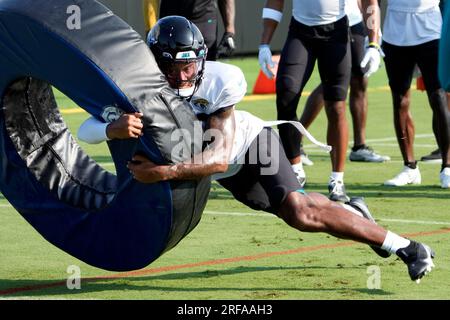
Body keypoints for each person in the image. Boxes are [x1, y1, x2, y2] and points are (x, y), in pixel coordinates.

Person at [78, 16, 435, 283]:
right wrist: (113, 126)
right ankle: (354, 212)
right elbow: (86, 129)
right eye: (172, 68)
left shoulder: (221, 80)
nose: (183, 77)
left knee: (301, 211)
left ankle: (407, 247)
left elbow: (217, 156)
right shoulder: (138, 88)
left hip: (249, 147)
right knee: (303, 215)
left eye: (188, 65)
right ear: (155, 64)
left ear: (201, 60)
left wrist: (164, 173)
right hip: (225, 172)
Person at [258, 0, 383, 202]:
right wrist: (264, 43)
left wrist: (374, 43)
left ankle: (337, 179)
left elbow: (370, 2)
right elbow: (275, 2)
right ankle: (295, 169)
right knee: (286, 96)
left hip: (336, 33)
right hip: (301, 32)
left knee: (336, 106)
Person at [298, 0, 391, 167]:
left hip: (356, 21)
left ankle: (359, 146)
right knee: (332, 82)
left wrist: (373, 31)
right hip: (333, 21)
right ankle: (296, 139)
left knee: (360, 79)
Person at [381, 0, 450, 188]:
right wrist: (370, 33)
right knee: (400, 100)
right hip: (394, 33)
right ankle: (409, 167)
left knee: (438, 96)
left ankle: (447, 166)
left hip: (431, 30)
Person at [158, 0, 236, 60]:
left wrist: (229, 31)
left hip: (204, 20)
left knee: (206, 68)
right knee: (170, 67)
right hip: (172, 20)